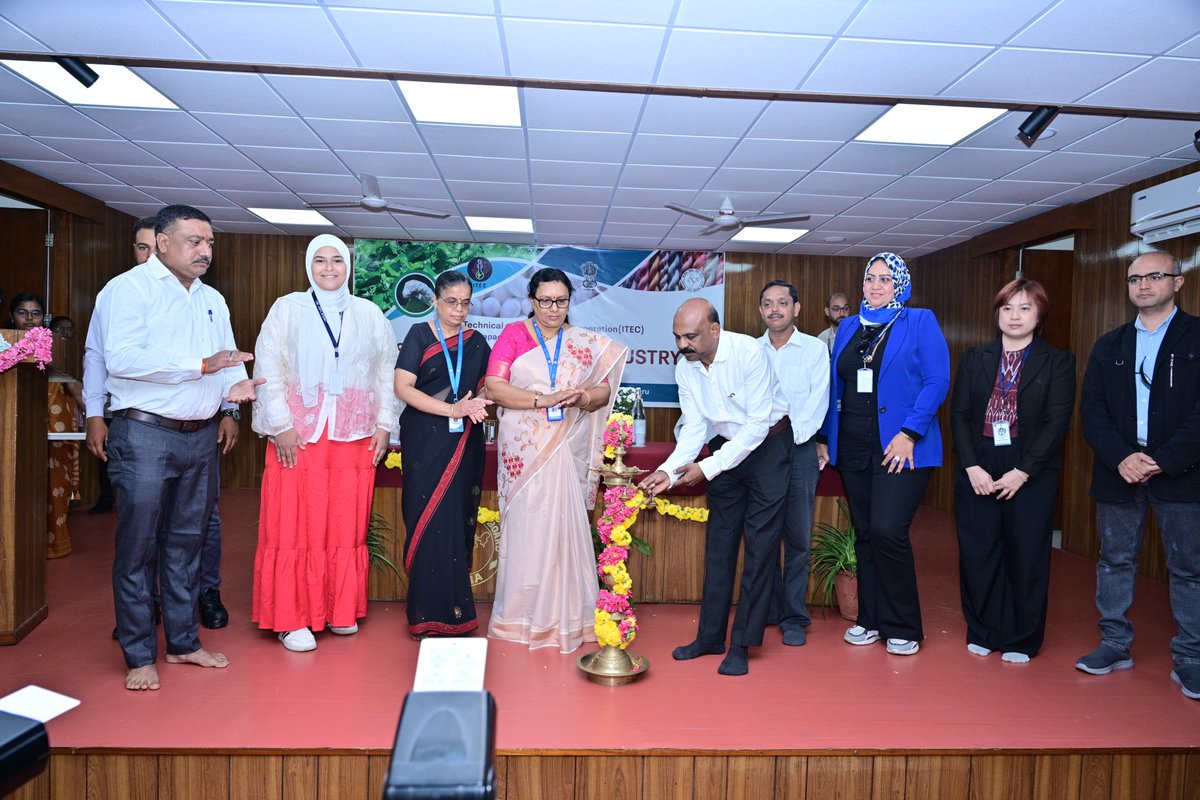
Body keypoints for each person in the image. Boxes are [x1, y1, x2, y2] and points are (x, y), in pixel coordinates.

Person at [89, 204, 261, 691]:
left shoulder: (212, 299)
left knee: (187, 545)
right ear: (162, 242)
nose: (205, 251)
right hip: (144, 435)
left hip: (199, 436)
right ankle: (139, 654)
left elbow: (228, 359)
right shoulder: (127, 289)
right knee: (138, 547)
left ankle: (184, 643)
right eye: (194, 241)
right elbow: (120, 359)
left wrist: (237, 393)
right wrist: (199, 366)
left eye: (209, 243)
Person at [250, 234, 398, 653]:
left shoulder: (369, 314)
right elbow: (269, 368)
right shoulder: (288, 309)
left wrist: (385, 425)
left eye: (337, 260)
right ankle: (291, 617)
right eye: (320, 260)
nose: (329, 268)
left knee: (344, 524)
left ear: (348, 266)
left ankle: (338, 609)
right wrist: (279, 424)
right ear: (308, 266)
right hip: (298, 436)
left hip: (354, 436)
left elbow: (385, 372)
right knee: (294, 523)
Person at [640, 298, 791, 676]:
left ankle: (741, 644)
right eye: (677, 337)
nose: (681, 345)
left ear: (714, 330)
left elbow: (757, 426)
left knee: (759, 550)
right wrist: (670, 472)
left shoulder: (750, 354)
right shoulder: (686, 366)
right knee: (719, 547)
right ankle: (709, 637)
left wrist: (707, 468)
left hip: (768, 449)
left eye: (689, 337)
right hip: (725, 450)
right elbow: (694, 426)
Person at [1076, 251, 1200, 701]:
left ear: (1178, 283)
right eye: (1134, 279)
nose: (1143, 285)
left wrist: (1162, 459)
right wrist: (1123, 458)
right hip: (1119, 472)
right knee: (1115, 561)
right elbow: (1093, 412)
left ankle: (1191, 658)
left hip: (1181, 474)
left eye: (1154, 276)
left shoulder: (1196, 336)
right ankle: (1114, 644)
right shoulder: (1109, 344)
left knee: (1188, 569)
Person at [484, 267, 626, 653]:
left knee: (564, 527)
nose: (553, 308)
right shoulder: (514, 336)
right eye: (545, 301)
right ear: (531, 301)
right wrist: (541, 400)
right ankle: (520, 617)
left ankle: (570, 620)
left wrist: (581, 398)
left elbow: (603, 390)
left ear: (569, 301)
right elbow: (494, 387)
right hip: (524, 451)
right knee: (528, 528)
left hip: (566, 448)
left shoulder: (583, 342)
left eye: (561, 301)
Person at [816, 252, 949, 657]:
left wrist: (910, 432)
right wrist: (825, 436)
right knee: (867, 535)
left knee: (890, 531)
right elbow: (835, 387)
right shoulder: (850, 326)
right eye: (870, 278)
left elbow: (937, 380)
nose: (876, 286)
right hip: (854, 446)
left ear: (901, 285)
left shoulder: (919, 321)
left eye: (886, 279)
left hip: (901, 448)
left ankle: (903, 624)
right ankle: (869, 619)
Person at [951, 279, 1075, 663]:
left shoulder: (1058, 361)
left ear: (1039, 315)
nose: (1015, 316)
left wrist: (1023, 472)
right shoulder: (976, 358)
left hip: (1030, 466)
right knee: (979, 551)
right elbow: (959, 414)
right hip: (980, 461)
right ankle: (983, 629)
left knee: (1027, 553)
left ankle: (1022, 638)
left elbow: (1057, 422)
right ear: (997, 314)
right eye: (1007, 308)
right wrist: (971, 464)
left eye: (1024, 308)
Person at [393, 271, 493, 638]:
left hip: (464, 442)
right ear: (435, 300)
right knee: (426, 518)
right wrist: (452, 410)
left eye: (466, 302)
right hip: (424, 441)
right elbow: (402, 387)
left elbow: (484, 386)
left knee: (453, 519)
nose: (459, 310)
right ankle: (423, 615)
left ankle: (456, 614)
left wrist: (480, 403)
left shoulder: (477, 341)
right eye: (452, 301)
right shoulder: (419, 335)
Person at [757, 281, 829, 646]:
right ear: (761, 311)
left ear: (796, 308)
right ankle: (767, 608)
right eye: (768, 304)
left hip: (799, 449)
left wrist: (792, 437)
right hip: (758, 452)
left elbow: (819, 401)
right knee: (762, 535)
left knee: (798, 537)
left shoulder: (815, 350)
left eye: (782, 303)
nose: (775, 310)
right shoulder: (750, 351)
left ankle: (794, 616)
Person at [85, 217, 157, 515]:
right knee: (138, 518)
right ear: (134, 249)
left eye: (157, 248)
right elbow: (96, 355)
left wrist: (228, 410)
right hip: (132, 421)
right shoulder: (115, 291)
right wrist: (94, 414)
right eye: (143, 248)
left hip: (185, 424)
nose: (150, 257)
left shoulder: (195, 294)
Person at [10, 295, 82, 559]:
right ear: (11, 316)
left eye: (36, 313)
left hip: (54, 428)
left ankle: (53, 545)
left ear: (44, 319)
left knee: (53, 485)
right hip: (13, 428)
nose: (29, 318)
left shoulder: (55, 347)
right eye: (22, 312)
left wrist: (96, 416)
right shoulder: (3, 343)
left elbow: (74, 385)